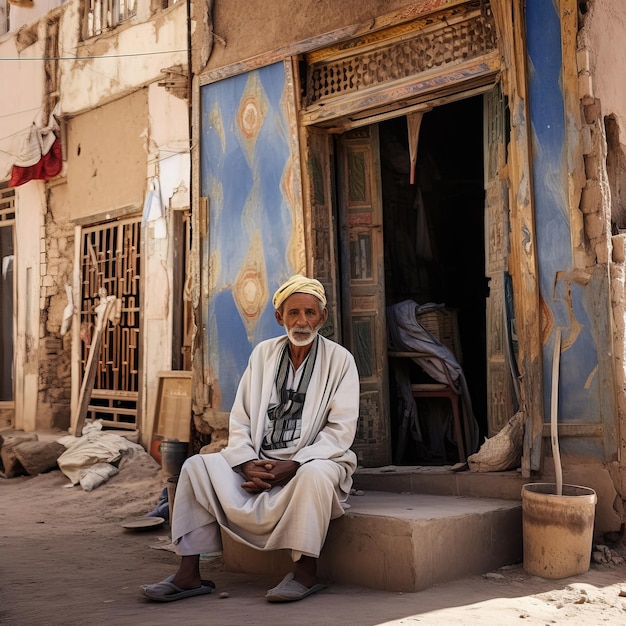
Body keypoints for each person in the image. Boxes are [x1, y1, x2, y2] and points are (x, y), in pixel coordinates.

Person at [140, 274, 360, 603]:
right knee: (197, 467)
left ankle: (305, 574)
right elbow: (241, 418)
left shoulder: (340, 360)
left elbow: (340, 430)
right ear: (279, 317)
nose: (302, 321)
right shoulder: (263, 354)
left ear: (322, 317)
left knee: (316, 475)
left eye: (310, 313)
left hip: (313, 460)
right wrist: (245, 464)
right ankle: (188, 574)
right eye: (294, 313)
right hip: (258, 460)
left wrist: (293, 464)